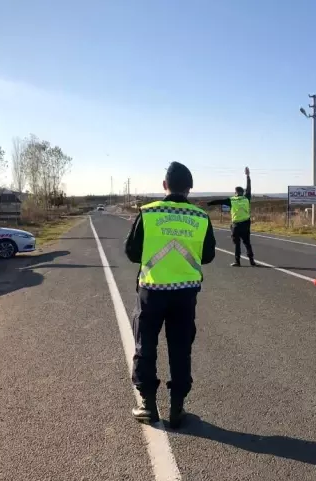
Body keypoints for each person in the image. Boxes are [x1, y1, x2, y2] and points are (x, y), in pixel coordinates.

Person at [125, 161, 216, 429]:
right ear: (190, 188)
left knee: (146, 346)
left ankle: (147, 405)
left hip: (151, 292)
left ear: (165, 186)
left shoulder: (149, 213)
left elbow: (132, 252)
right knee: (180, 349)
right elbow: (208, 255)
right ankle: (177, 409)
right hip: (186, 294)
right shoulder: (200, 217)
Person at [207, 167, 255, 267]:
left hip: (236, 225)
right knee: (247, 243)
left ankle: (237, 261)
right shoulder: (246, 198)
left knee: (237, 244)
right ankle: (252, 261)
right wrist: (248, 176)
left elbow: (219, 201)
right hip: (246, 223)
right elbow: (249, 187)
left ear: (235, 192)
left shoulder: (232, 200)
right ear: (243, 192)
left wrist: (209, 203)